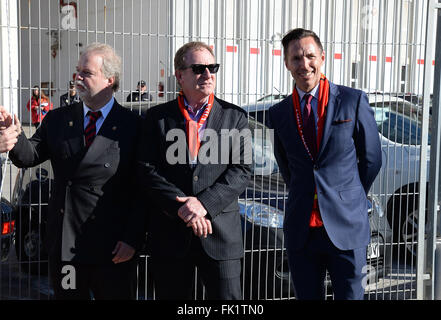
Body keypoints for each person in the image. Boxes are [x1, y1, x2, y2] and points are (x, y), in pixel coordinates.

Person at [0, 43, 145, 300]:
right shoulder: (58, 119)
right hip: (67, 244)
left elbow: (142, 190)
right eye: (77, 71)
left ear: (109, 79)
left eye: (86, 73)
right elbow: (29, 156)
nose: (77, 77)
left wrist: (132, 238)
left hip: (112, 247)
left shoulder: (132, 125)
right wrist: (12, 136)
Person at [267, 28, 382, 300]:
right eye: (295, 58)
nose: (304, 64)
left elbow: (372, 158)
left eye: (310, 56)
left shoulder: (352, 101)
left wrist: (348, 194)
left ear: (322, 57)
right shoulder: (279, 113)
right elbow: (287, 166)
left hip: (345, 226)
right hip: (301, 229)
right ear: (286, 63)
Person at [137, 41, 251, 300]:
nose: (208, 75)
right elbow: (146, 169)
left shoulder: (235, 117)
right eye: (199, 68)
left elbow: (242, 170)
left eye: (213, 68)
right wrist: (183, 207)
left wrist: (203, 205)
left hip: (220, 234)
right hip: (170, 234)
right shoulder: (156, 118)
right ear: (180, 75)